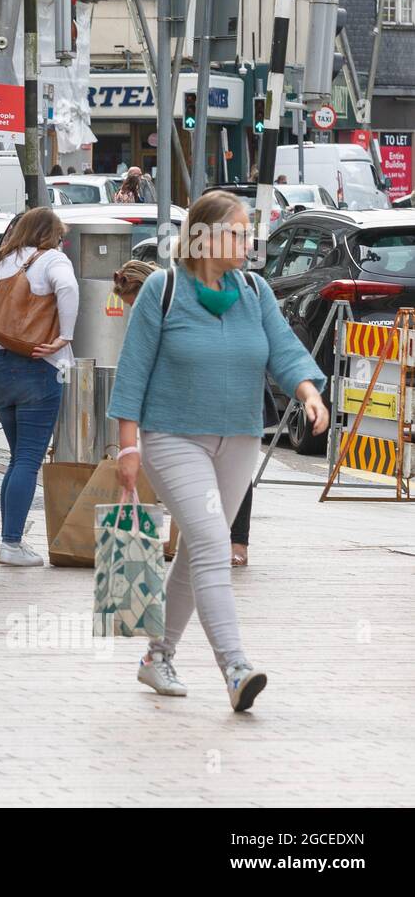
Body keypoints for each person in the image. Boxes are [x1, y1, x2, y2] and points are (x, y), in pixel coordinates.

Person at [109, 189, 327, 712]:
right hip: (173, 437)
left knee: (196, 552)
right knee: (213, 546)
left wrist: (309, 392)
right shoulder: (163, 290)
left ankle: (156, 658)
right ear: (204, 238)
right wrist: (127, 449)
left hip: (240, 439)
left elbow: (283, 349)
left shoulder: (253, 291)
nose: (248, 240)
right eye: (238, 230)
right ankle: (235, 666)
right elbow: (132, 374)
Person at [114, 257, 259, 569]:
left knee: (234, 473)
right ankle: (200, 541)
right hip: (183, 411)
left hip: (226, 398)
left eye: (134, 303)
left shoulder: (186, 298)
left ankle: (236, 540)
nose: (134, 311)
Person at [0, 206, 79, 567]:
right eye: (60, 236)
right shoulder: (52, 259)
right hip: (38, 364)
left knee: (16, 457)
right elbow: (68, 288)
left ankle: (11, 537)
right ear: (50, 234)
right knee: (28, 459)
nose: (61, 242)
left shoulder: (0, 262)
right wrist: (65, 336)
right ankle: (10, 542)